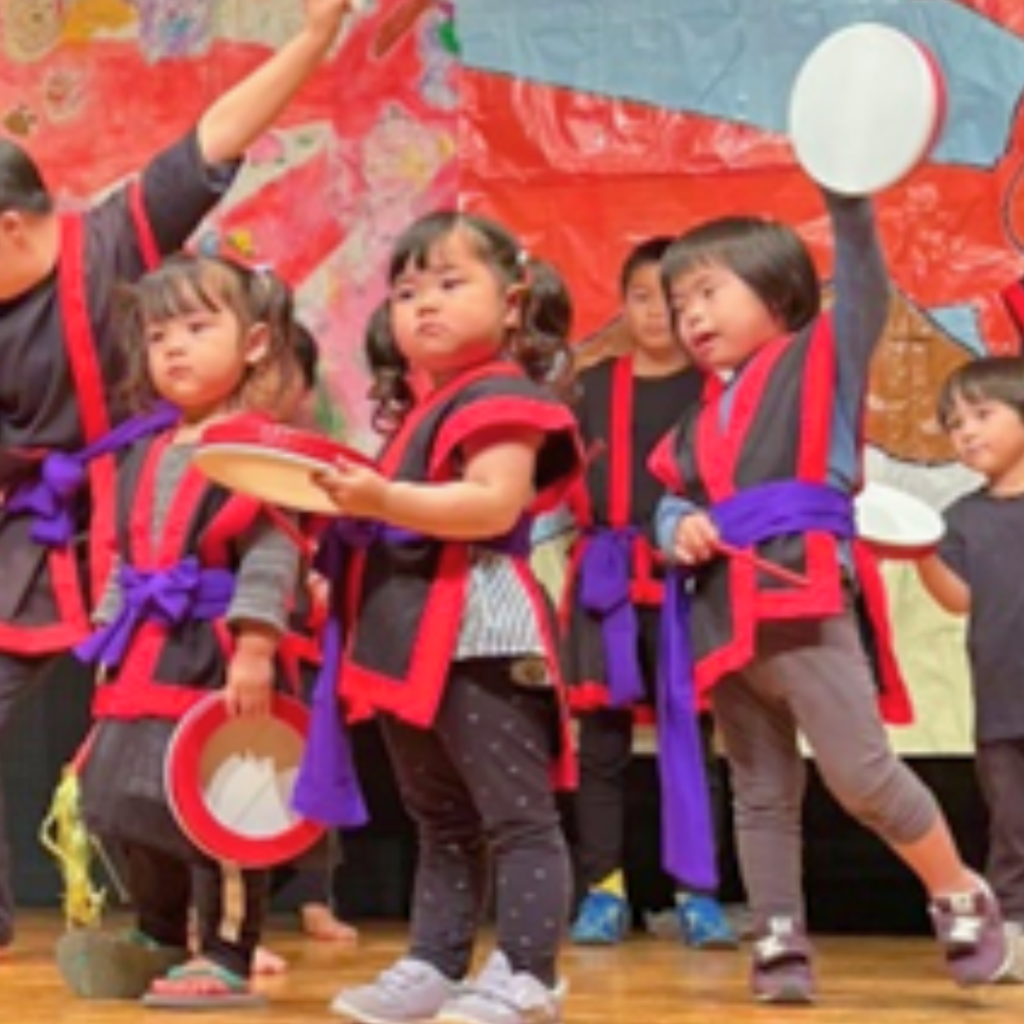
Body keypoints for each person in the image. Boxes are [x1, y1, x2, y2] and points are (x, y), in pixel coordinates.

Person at [0, 0, 359, 954]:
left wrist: (311, 41)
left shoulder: (109, 246)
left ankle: (226, 927)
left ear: (10, 227)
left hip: (178, 513)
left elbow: (213, 138)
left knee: (203, 722)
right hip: (44, 535)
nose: (173, 341)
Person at [650, 189, 1012, 1002]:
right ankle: (778, 936)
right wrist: (678, 526)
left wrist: (848, 192)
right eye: (679, 304)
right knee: (760, 791)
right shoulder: (692, 425)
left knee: (862, 776)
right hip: (723, 615)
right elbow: (672, 497)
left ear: (778, 293)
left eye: (708, 291)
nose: (691, 314)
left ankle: (957, 890)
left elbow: (865, 281)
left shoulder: (822, 356)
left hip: (800, 597)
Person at [309, 212, 583, 1024]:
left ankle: (528, 973)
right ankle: (435, 962)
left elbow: (492, 503)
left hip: (481, 634)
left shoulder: (503, 396)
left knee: (517, 817)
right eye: (406, 292)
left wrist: (382, 501)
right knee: (440, 820)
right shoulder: (424, 414)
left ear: (513, 302)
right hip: (412, 636)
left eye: (450, 283)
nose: (423, 303)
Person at [62, 254, 304, 1008]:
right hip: (146, 649)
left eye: (198, 328)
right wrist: (108, 637)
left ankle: (228, 949)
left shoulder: (256, 446)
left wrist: (257, 647)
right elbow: (126, 557)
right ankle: (160, 932)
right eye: (159, 334)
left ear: (254, 343)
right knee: (136, 797)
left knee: (216, 801)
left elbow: (272, 551)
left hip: (217, 648)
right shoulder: (146, 449)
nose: (174, 348)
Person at [561, 237, 736, 948]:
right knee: (600, 743)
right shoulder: (589, 388)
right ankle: (602, 890)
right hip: (607, 580)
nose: (657, 312)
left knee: (691, 738)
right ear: (622, 304)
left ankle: (699, 893)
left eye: (671, 298)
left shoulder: (717, 390)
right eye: (641, 297)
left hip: (689, 578)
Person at [914, 356, 1024, 983]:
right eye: (955, 423)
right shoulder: (961, 518)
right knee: (1011, 823)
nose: (967, 432)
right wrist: (919, 551)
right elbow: (959, 599)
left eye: (983, 414)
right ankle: (1012, 932)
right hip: (1003, 701)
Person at [254, 322, 358, 977]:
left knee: (314, 759)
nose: (272, 385)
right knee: (235, 764)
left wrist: (324, 577)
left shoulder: (319, 457)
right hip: (239, 632)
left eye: (285, 372)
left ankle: (316, 895)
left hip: (309, 636)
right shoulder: (224, 452)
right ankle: (224, 918)